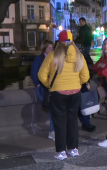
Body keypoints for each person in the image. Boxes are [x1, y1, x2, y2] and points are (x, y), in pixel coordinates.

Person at [38, 31, 90, 160]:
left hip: (58, 93)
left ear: (59, 42)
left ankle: (61, 151)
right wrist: (77, 83)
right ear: (71, 41)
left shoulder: (52, 56)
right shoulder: (79, 56)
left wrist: (50, 85)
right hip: (75, 93)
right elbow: (85, 77)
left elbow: (41, 75)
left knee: (59, 123)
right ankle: (73, 149)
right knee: (72, 121)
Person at [30, 39, 55, 140]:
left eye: (52, 47)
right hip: (42, 88)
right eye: (49, 47)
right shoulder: (38, 59)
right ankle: (52, 132)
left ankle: (54, 130)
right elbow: (33, 73)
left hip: (52, 87)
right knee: (51, 109)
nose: (52, 48)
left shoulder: (53, 58)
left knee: (54, 109)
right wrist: (37, 84)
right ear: (44, 48)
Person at [74, 37, 96, 132]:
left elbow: (87, 68)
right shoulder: (79, 53)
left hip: (80, 83)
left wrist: (86, 81)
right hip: (76, 83)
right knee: (80, 105)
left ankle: (86, 123)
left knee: (83, 104)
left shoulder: (80, 54)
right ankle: (85, 123)